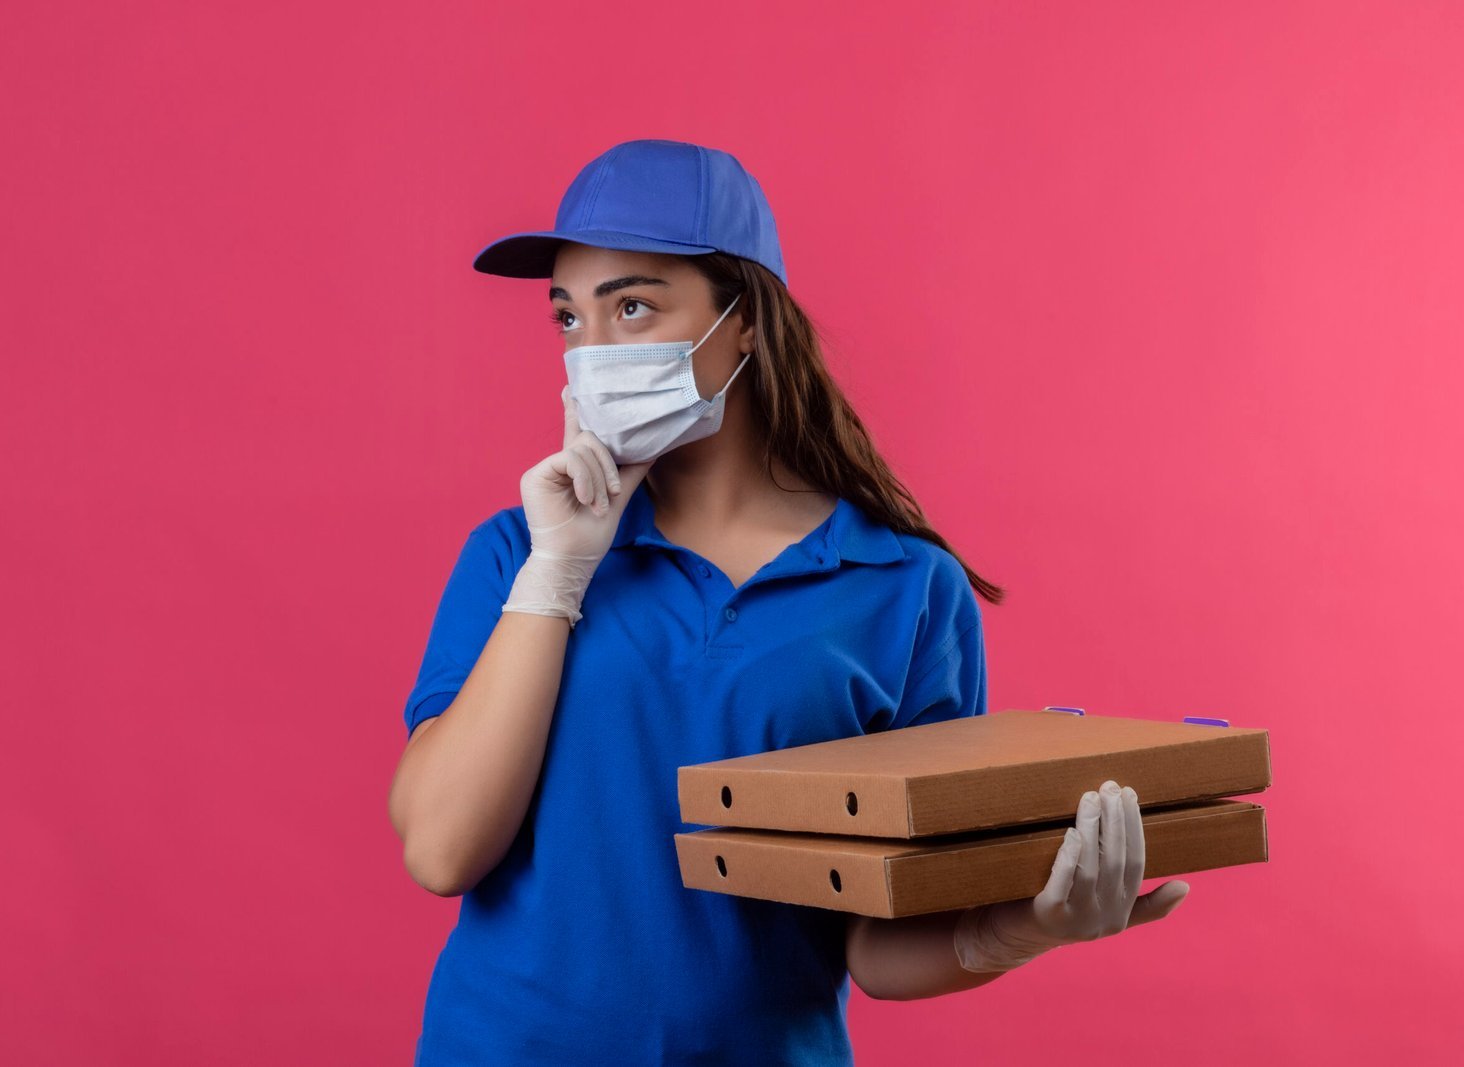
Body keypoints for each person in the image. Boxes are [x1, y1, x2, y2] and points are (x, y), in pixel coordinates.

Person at [387, 139, 1190, 1066]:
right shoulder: (514, 554)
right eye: (569, 318)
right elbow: (441, 851)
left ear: (747, 322)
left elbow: (881, 935)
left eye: (634, 307)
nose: (590, 354)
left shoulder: (903, 589)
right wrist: (559, 573)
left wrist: (1018, 927)